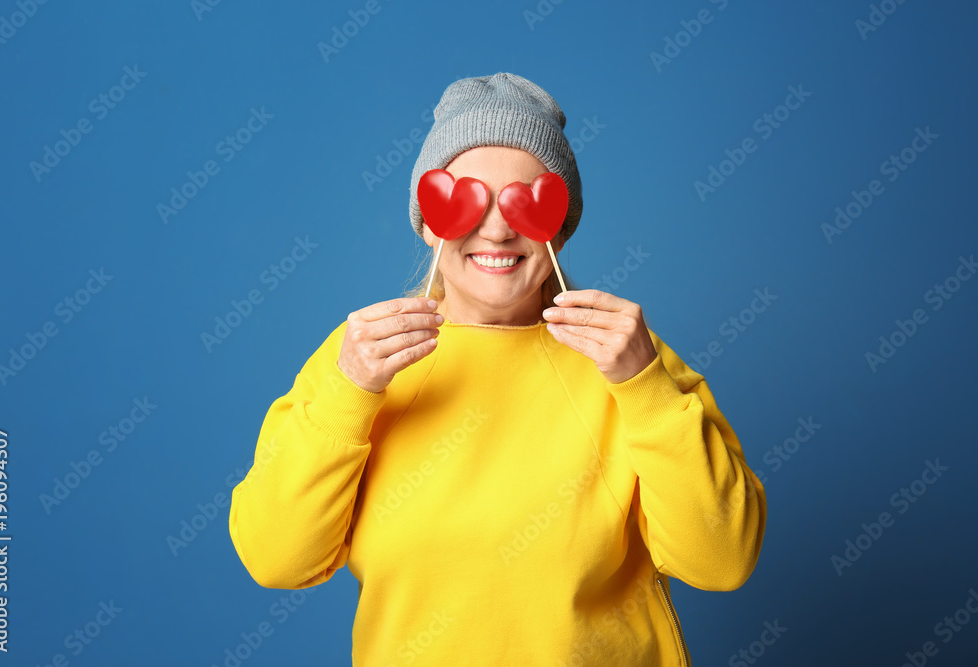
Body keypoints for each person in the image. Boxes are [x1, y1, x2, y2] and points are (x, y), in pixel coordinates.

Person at [228, 72, 767, 666]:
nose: (497, 228)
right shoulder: (360, 358)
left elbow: (722, 561)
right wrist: (348, 397)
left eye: (524, 202)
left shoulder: (629, 357)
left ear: (559, 226)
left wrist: (646, 389)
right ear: (429, 222)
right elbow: (276, 560)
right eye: (466, 201)